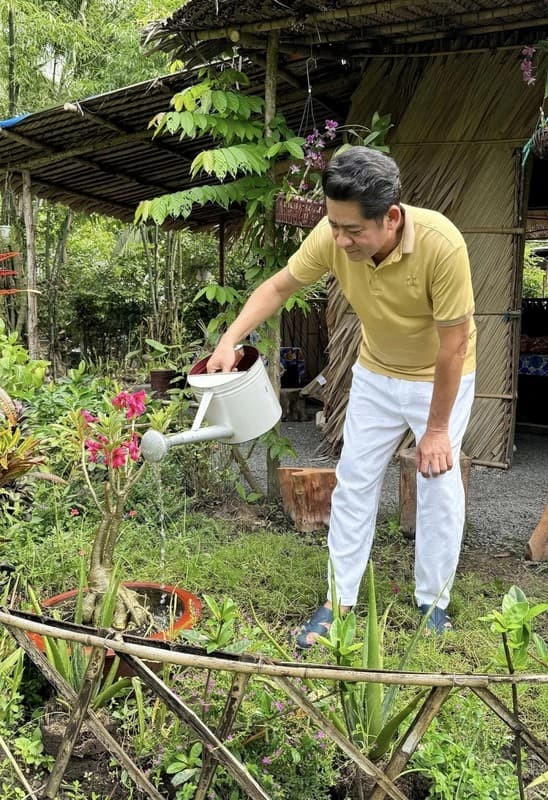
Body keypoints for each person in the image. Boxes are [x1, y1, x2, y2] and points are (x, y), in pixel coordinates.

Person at [207, 146, 476, 646]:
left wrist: (437, 430)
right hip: (376, 372)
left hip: (440, 377)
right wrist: (229, 339)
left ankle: (432, 605)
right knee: (354, 480)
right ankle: (339, 600)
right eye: (334, 225)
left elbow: (454, 345)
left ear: (391, 217)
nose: (341, 239)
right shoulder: (332, 236)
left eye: (354, 230)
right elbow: (279, 287)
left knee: (439, 483)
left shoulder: (442, 245)